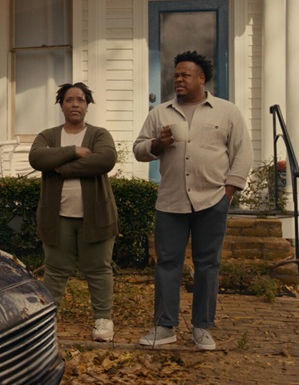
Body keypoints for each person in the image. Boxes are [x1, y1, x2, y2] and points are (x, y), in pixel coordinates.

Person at [133, 51, 253, 350]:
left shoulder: (227, 112)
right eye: (176, 75)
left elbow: (242, 153)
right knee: (167, 264)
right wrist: (157, 144)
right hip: (170, 201)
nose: (178, 79)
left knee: (207, 265)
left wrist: (229, 191)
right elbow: (138, 150)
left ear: (202, 78)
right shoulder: (160, 113)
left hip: (212, 199)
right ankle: (164, 326)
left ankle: (202, 328)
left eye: (185, 74)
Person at [29, 82, 119, 342]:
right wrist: (73, 151)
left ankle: (103, 320)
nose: (75, 104)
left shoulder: (99, 134)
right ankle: (47, 320)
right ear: (62, 105)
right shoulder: (48, 135)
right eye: (69, 100)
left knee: (98, 269)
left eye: (80, 99)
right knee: (56, 270)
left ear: (87, 105)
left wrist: (63, 167)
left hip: (96, 217)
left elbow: (105, 160)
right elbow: (37, 158)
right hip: (57, 217)